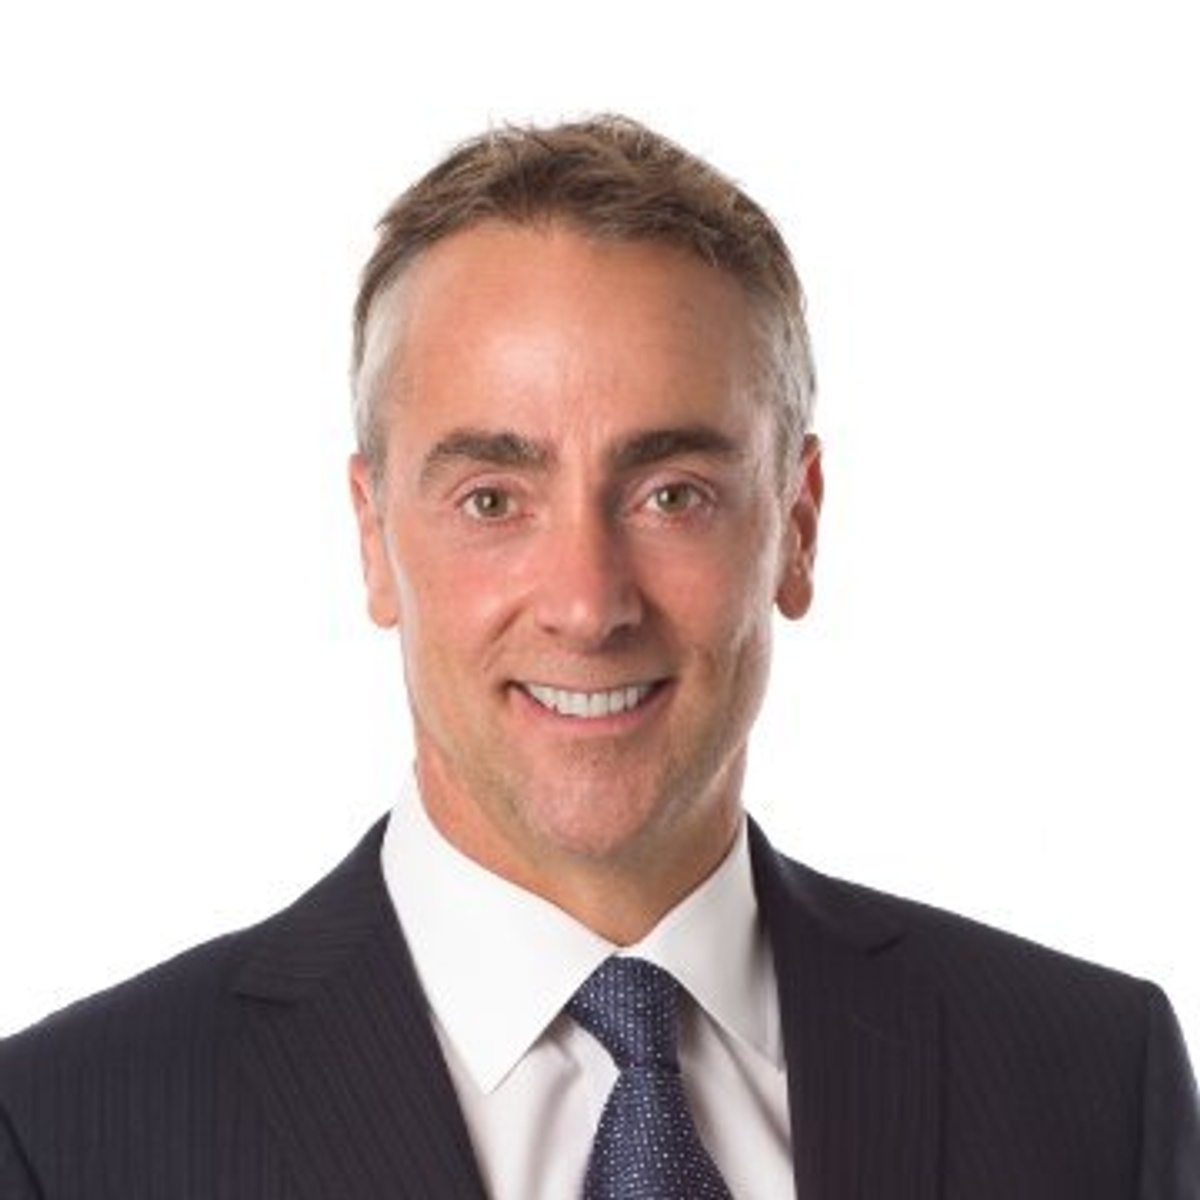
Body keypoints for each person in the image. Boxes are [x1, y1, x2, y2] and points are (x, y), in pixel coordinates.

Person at [0, 115, 1196, 1199]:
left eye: (673, 493)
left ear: (797, 525)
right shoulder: (67, 1135)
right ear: (374, 539)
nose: (587, 603)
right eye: (491, 499)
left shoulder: (1093, 1081)